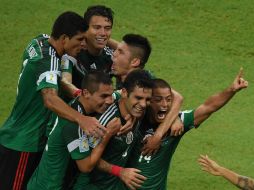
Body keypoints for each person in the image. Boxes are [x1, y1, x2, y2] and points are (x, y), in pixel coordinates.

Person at [0, 11, 106, 190]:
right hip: (25, 142)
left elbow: (52, 80)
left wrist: (74, 92)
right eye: (79, 39)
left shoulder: (41, 41)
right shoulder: (49, 62)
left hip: (15, 132)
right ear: (64, 38)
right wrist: (82, 119)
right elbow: (49, 99)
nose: (83, 45)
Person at [124, 68, 248, 190]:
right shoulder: (133, 118)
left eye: (168, 100)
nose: (165, 105)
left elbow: (209, 107)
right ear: (148, 100)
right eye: (158, 100)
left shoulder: (178, 124)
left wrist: (231, 90)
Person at [27, 71, 120, 190]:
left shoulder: (75, 106)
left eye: (110, 95)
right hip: (49, 186)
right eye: (103, 96)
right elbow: (86, 166)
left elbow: (121, 95)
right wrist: (108, 134)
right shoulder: (73, 124)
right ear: (86, 93)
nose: (110, 101)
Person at [73, 69, 154, 190]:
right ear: (125, 93)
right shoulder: (106, 121)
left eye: (147, 99)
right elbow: (88, 158)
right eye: (138, 98)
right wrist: (120, 172)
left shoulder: (134, 113)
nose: (143, 104)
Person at [111, 33, 184, 155]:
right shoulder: (121, 73)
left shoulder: (146, 82)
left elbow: (178, 98)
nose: (114, 54)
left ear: (134, 62)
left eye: (120, 52)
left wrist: (157, 136)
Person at [61, 5, 114, 99]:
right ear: (85, 29)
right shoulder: (74, 51)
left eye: (107, 28)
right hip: (71, 107)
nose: (103, 33)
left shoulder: (112, 56)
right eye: (97, 27)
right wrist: (87, 98)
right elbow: (65, 82)